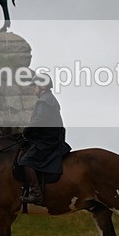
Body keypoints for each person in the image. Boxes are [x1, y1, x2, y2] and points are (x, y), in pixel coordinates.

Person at [19, 74, 71, 205]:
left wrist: (26, 130)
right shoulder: (49, 99)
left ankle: (36, 194)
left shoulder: (44, 100)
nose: (33, 89)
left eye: (34, 86)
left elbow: (40, 120)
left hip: (46, 142)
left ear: (42, 86)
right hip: (49, 139)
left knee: (25, 161)